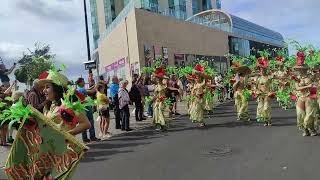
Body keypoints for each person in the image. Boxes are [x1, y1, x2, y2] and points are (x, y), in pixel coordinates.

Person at [39, 71, 91, 135]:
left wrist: (67, 135)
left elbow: (86, 124)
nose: (44, 90)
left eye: (47, 87)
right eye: (44, 87)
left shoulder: (69, 105)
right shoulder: (48, 106)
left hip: (66, 144)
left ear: (57, 89)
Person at [76, 78, 100, 143]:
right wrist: (97, 86)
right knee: (91, 123)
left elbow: (88, 89)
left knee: (83, 123)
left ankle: (85, 139)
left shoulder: (78, 89)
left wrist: (93, 85)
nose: (84, 83)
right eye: (83, 81)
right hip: (87, 109)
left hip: (82, 109)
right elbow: (91, 91)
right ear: (80, 83)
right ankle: (92, 137)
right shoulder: (82, 89)